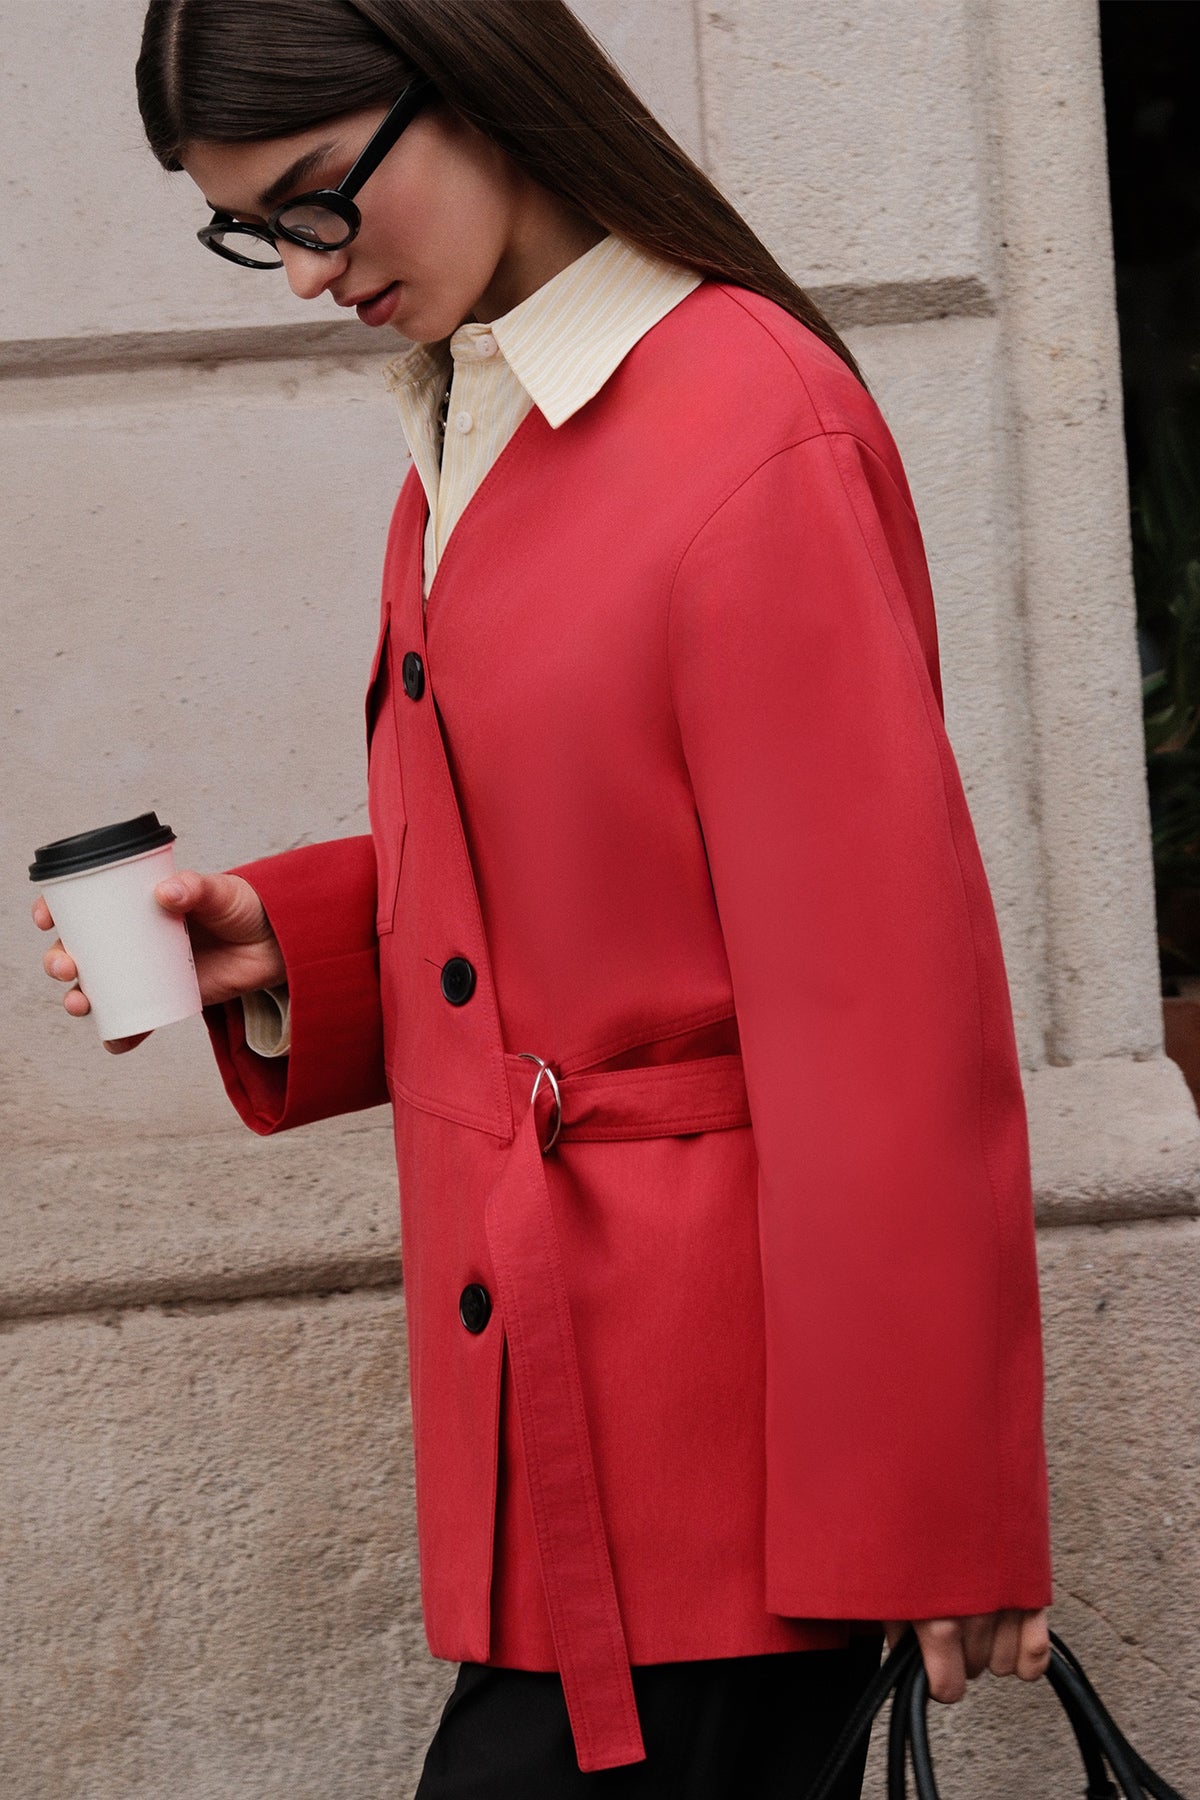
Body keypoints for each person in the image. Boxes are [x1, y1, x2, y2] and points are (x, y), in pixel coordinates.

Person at [35, 1, 1055, 1793]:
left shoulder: (748, 419)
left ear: (477, 87)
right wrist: (296, 942)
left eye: (316, 199)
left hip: (729, 1477)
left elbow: (878, 1002)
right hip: (559, 1430)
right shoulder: (472, 412)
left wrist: (927, 1500)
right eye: (254, 232)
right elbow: (596, 855)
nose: (304, 271)